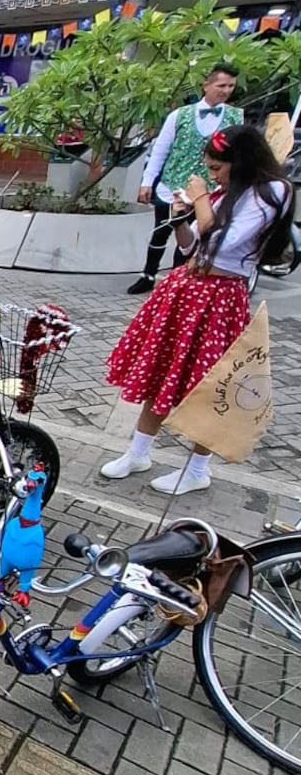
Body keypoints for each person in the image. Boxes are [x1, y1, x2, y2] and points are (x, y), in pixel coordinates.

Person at [100, 124, 292, 496]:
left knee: (208, 382)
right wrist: (178, 220)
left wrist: (201, 199)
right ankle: (138, 452)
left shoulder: (272, 193)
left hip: (220, 300)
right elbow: (193, 247)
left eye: (218, 169)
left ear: (240, 162)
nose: (212, 176)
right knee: (161, 371)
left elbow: (224, 241)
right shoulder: (225, 195)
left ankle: (197, 469)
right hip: (186, 291)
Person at [128, 64, 242, 294]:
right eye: (221, 85)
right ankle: (148, 275)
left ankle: (178, 280)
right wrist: (147, 181)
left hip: (209, 191)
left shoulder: (235, 116)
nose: (226, 90)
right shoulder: (179, 115)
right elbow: (161, 149)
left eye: (231, 86)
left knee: (192, 237)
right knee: (160, 231)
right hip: (172, 185)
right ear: (206, 85)